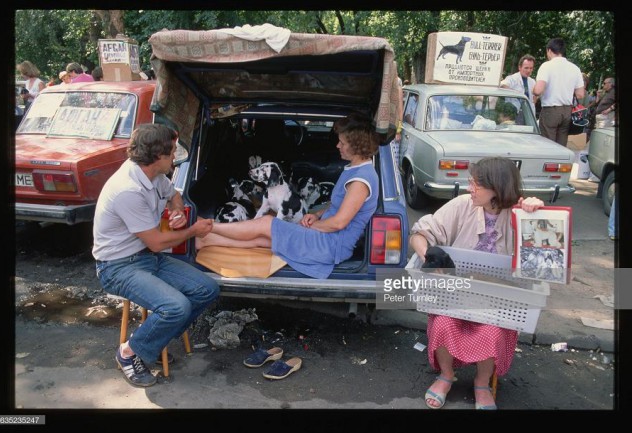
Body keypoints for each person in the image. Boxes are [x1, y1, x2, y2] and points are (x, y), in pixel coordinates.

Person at [409, 156, 545, 410]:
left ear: (498, 187)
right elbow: (420, 232)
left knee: (492, 331)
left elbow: (544, 258)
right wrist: (427, 254)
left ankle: (482, 382)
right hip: (456, 294)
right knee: (443, 323)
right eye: (470, 182)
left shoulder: (519, 212)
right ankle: (446, 375)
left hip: (498, 299)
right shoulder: (462, 205)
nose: (469, 188)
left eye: (476, 184)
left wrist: (538, 214)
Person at [93, 123, 220, 387]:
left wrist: (176, 211)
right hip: (117, 267)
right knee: (176, 307)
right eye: (172, 152)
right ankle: (129, 353)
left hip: (143, 258)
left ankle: (152, 343)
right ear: (157, 156)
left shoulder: (153, 176)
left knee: (207, 288)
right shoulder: (128, 189)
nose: (175, 156)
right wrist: (193, 230)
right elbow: (157, 243)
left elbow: (174, 195)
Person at [195, 112, 380, 279]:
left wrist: (314, 225)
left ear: (357, 145)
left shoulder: (361, 180)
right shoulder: (356, 170)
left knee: (266, 223)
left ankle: (207, 226)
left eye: (343, 142)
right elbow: (336, 207)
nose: (337, 145)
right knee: (263, 239)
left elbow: (339, 222)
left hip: (330, 246)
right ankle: (207, 241)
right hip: (327, 239)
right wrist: (316, 214)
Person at [532, 38, 585, 146]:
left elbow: (538, 90)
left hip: (551, 110)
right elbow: (580, 94)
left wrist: (533, 90)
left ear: (549, 50)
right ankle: (560, 163)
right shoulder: (575, 68)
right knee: (561, 144)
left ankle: (550, 163)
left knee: (547, 144)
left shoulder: (546, 66)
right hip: (567, 111)